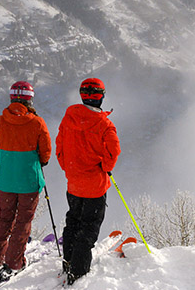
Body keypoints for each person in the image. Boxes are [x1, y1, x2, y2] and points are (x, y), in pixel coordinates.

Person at [0, 81, 52, 282]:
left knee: (4, 218)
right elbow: (45, 153)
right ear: (29, 99)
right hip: (28, 181)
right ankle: (14, 262)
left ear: (12, 98)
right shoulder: (36, 123)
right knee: (22, 221)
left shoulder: (0, 122)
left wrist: (9, 161)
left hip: (6, 181)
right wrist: (34, 162)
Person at [56, 77, 121, 285]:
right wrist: (103, 167)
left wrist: (70, 168)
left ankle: (68, 261)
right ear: (101, 96)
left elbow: (60, 149)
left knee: (73, 221)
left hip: (73, 183)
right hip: (95, 187)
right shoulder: (105, 124)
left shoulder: (68, 118)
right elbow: (113, 154)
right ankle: (78, 270)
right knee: (89, 228)